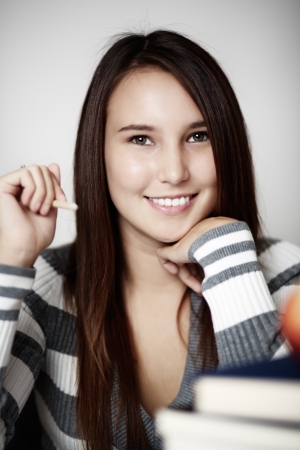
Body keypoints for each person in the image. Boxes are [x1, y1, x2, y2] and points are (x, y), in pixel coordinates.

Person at [0, 30, 299, 450]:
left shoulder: (286, 274)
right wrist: (10, 261)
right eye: (141, 139)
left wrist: (231, 263)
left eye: (199, 136)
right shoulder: (45, 288)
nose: (175, 171)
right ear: (98, 153)